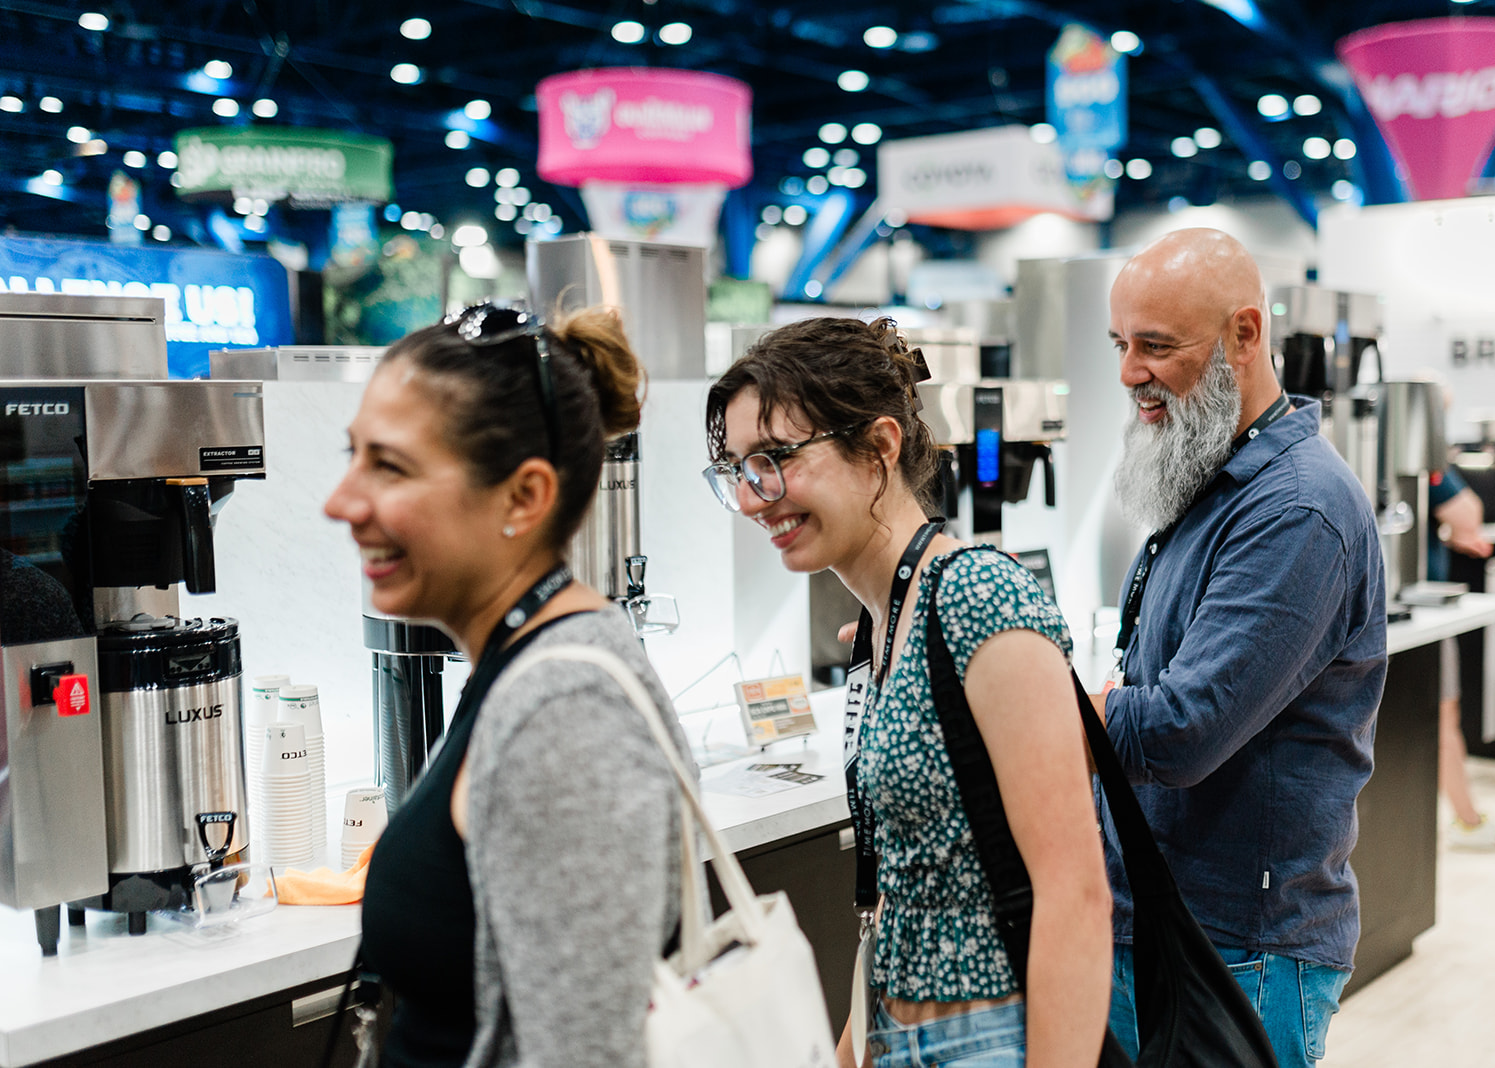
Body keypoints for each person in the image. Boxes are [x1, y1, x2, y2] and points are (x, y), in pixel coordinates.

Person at [703, 316, 1111, 1068]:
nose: (756, 497)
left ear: (881, 447)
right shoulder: (886, 621)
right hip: (900, 1036)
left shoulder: (978, 595)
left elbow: (1075, 896)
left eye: (775, 459)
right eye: (737, 470)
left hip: (989, 1039)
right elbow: (903, 886)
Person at [323, 300, 693, 1068]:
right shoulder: (521, 668)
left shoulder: (565, 714)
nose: (343, 502)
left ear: (524, 497)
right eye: (352, 456)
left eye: (388, 466)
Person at [1092, 229, 1387, 1068]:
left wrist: (1028, 689)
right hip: (1164, 919)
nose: (1129, 375)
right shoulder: (1208, 480)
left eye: (1156, 347)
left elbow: (1182, 729)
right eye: (1121, 345)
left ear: (1245, 335)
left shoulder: (1297, 510)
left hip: (1240, 944)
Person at [1430, 471, 1495, 850]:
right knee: (1443, 720)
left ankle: (1467, 818)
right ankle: (1468, 821)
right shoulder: (1426, 457)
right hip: (1424, 615)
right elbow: (1468, 513)